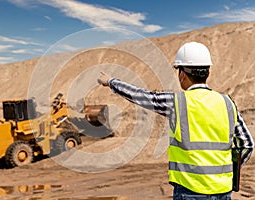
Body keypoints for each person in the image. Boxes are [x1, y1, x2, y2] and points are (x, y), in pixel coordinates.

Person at [97, 42, 254, 200]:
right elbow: (247, 144)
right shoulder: (227, 103)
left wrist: (111, 81)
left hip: (190, 192)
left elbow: (141, 96)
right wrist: (227, 171)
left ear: (182, 74)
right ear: (208, 72)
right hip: (223, 191)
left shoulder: (177, 102)